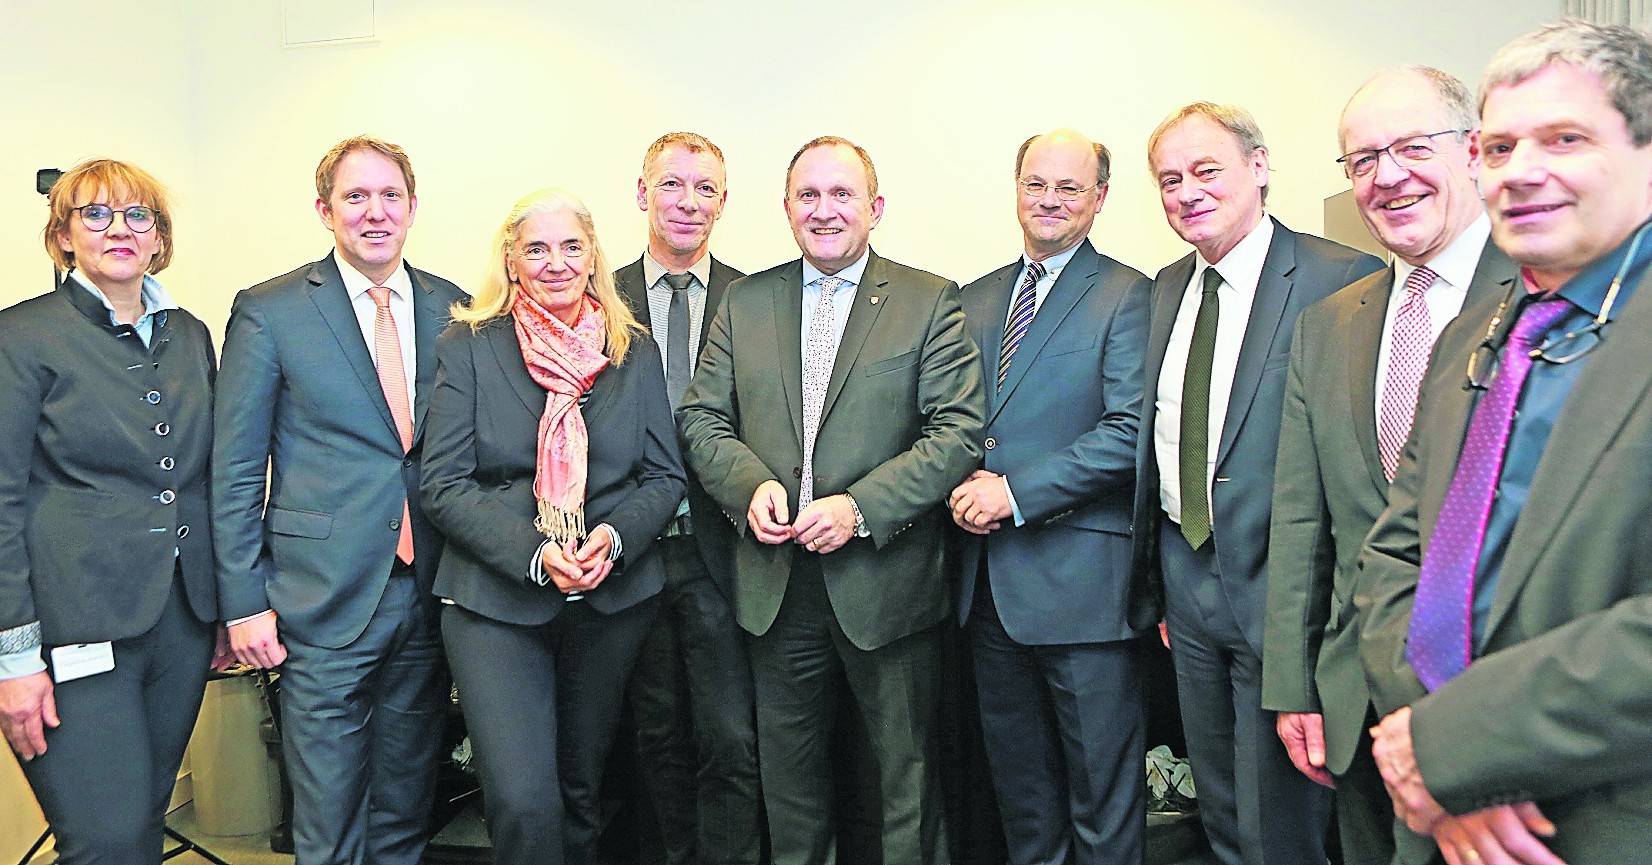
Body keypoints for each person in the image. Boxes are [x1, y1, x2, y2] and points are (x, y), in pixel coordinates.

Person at [1358, 19, 1652, 865]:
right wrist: (1429, 759)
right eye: (1499, 145)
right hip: (1442, 817)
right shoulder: (1476, 339)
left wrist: (1456, 747)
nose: (1522, 170)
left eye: (1565, 138)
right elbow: (1397, 557)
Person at [678, 135, 985, 865]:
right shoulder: (745, 301)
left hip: (888, 585)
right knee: (791, 791)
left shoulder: (927, 299)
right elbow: (701, 417)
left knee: (905, 787)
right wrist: (750, 486)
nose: (824, 210)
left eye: (841, 194)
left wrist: (858, 509)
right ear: (786, 208)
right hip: (776, 589)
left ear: (874, 208)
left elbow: (957, 433)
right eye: (808, 196)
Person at [1259, 66, 1511, 865]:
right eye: (1362, 159)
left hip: (1500, 706)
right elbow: (1303, 518)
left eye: (1411, 147)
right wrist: (1293, 683)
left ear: (1473, 150)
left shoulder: (1546, 288)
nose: (1387, 176)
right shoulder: (1327, 325)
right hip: (1356, 695)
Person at [1130, 102, 1383, 865]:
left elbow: (1355, 464)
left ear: (1260, 166)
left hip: (1286, 595)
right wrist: (1160, 584)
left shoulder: (1342, 279)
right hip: (1187, 583)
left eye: (1206, 170)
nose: (1187, 192)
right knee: (1222, 808)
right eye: (1170, 179)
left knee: (1285, 820)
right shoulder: (1166, 286)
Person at [213, 136, 463, 865]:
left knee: (405, 807)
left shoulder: (454, 305)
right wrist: (242, 601)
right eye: (356, 197)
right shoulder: (270, 310)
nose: (375, 212)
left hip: (427, 594)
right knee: (326, 821)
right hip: (318, 599)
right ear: (325, 210)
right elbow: (233, 469)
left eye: (390, 196)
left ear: (413, 207)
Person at [422, 188, 685, 865]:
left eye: (571, 246)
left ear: (592, 255)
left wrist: (614, 539)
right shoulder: (469, 344)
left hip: (610, 603)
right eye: (536, 248)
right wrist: (539, 554)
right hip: (494, 602)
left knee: (580, 790)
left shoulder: (635, 351)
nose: (555, 262)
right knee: (522, 799)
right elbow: (443, 484)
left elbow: (664, 477)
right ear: (511, 260)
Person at [0, 159, 225, 863]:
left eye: (138, 216)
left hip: (180, 625)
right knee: (106, 840)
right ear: (63, 236)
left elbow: (207, 480)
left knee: (139, 828)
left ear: (159, 238)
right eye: (94, 214)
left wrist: (225, 603)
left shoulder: (191, 335)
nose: (118, 229)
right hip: (71, 628)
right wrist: (13, 658)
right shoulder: (21, 337)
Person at [949, 129, 1150, 865]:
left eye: (1070, 187)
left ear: (1100, 198)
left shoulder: (1132, 294)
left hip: (1083, 593)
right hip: (986, 593)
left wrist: (1016, 492)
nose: (1050, 200)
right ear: (1016, 189)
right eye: (1037, 183)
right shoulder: (973, 299)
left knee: (1103, 804)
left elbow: (1131, 432)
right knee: (1023, 805)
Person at [613, 132, 761, 865]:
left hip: (721, 554)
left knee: (731, 738)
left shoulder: (757, 297)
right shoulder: (596, 295)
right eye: (673, 185)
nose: (688, 202)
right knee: (653, 737)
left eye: (706, 189)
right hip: (627, 554)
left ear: (724, 202)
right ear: (642, 193)